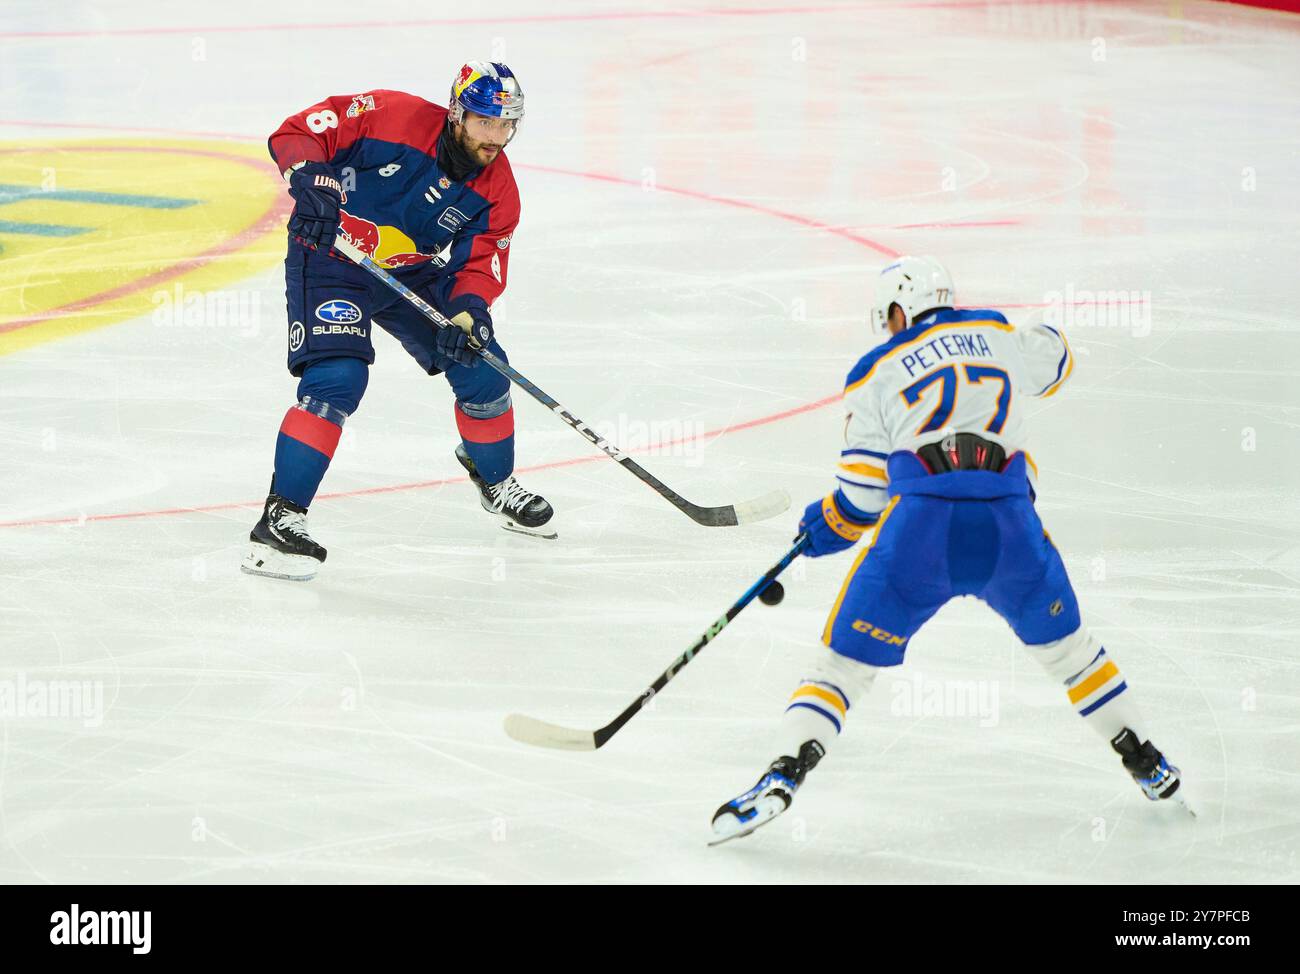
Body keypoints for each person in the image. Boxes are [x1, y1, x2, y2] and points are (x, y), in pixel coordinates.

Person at [712, 256, 1187, 841]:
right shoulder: (999, 334)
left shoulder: (875, 370)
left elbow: (861, 499)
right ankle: (1146, 759)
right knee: (1072, 654)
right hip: (1009, 526)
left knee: (842, 668)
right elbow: (1058, 354)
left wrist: (819, 530)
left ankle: (782, 776)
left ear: (896, 312)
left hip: (921, 532)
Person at [243, 61, 554, 582]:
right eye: (486, 122)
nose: (497, 137)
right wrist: (311, 177)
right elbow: (298, 132)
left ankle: (495, 480)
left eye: (507, 125)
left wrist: (468, 311)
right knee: (337, 379)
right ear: (457, 113)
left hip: (410, 271)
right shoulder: (391, 116)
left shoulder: (498, 187)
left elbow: (479, 263)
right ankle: (281, 520)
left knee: (484, 364)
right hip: (331, 259)